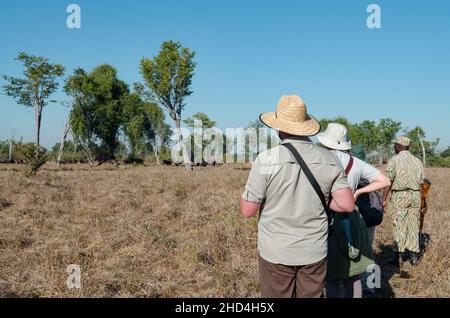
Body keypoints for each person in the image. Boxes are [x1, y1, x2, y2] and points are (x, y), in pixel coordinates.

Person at [239, 95, 355, 298]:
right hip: (314, 251)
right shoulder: (329, 159)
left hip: (276, 252)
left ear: (279, 127)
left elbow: (247, 210)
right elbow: (346, 205)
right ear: (305, 127)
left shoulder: (266, 159)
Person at [317, 123, 391, 298]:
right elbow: (385, 181)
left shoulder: (321, 159)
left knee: (332, 277)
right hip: (352, 218)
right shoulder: (355, 162)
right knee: (354, 273)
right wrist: (358, 191)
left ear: (325, 141)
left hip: (329, 219)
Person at [382, 136, 425, 267]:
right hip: (416, 195)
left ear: (399, 146)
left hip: (400, 195)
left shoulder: (394, 160)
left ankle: (398, 258)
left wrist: (383, 198)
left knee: (399, 224)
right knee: (413, 225)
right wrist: (423, 201)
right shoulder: (417, 161)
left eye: (395, 145)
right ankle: (413, 258)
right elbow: (422, 183)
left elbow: (388, 181)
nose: (394, 147)